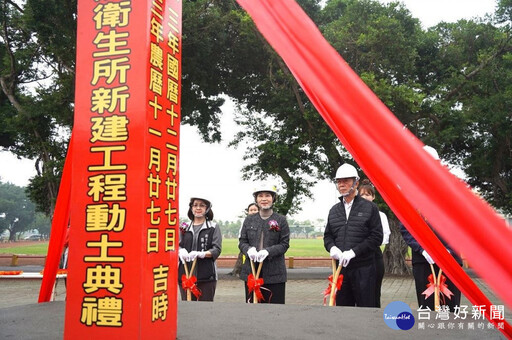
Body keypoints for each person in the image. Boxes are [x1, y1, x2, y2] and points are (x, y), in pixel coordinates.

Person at [399, 145, 462, 311]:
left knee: (450, 309)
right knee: (427, 309)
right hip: (423, 260)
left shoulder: (453, 191)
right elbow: (406, 227)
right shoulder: (410, 194)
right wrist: (423, 249)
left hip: (450, 259)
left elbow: (461, 225)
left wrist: (449, 249)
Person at [323, 163, 383, 307]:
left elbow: (376, 237)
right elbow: (328, 236)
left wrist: (354, 252)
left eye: (346, 181)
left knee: (367, 308)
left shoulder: (370, 208)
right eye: (339, 181)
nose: (342, 184)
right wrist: (332, 248)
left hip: (365, 268)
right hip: (341, 270)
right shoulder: (334, 210)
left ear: (356, 183)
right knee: (344, 310)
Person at [238, 185, 290, 304]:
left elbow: (284, 244)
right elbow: (242, 242)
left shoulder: (281, 220)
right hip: (251, 272)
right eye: (260, 196)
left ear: (273, 198)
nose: (264, 199)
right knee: (252, 311)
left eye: (268, 195)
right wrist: (248, 250)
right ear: (256, 199)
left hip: (275, 274)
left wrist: (268, 251)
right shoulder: (249, 219)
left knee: (274, 311)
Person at [178, 195, 222, 301]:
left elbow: (217, 249)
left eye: (202, 206)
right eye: (195, 205)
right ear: (191, 208)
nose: (198, 208)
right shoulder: (183, 227)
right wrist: (180, 251)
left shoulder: (213, 227)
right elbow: (176, 244)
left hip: (206, 276)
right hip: (185, 274)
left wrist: (202, 254)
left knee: (205, 307)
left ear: (207, 209)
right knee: (187, 306)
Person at [358, 178, 391, 308]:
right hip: (357, 256)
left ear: (373, 196)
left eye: (368, 194)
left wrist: (370, 242)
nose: (365, 197)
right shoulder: (355, 214)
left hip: (374, 256)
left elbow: (385, 236)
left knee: (374, 292)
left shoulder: (381, 215)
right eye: (362, 195)